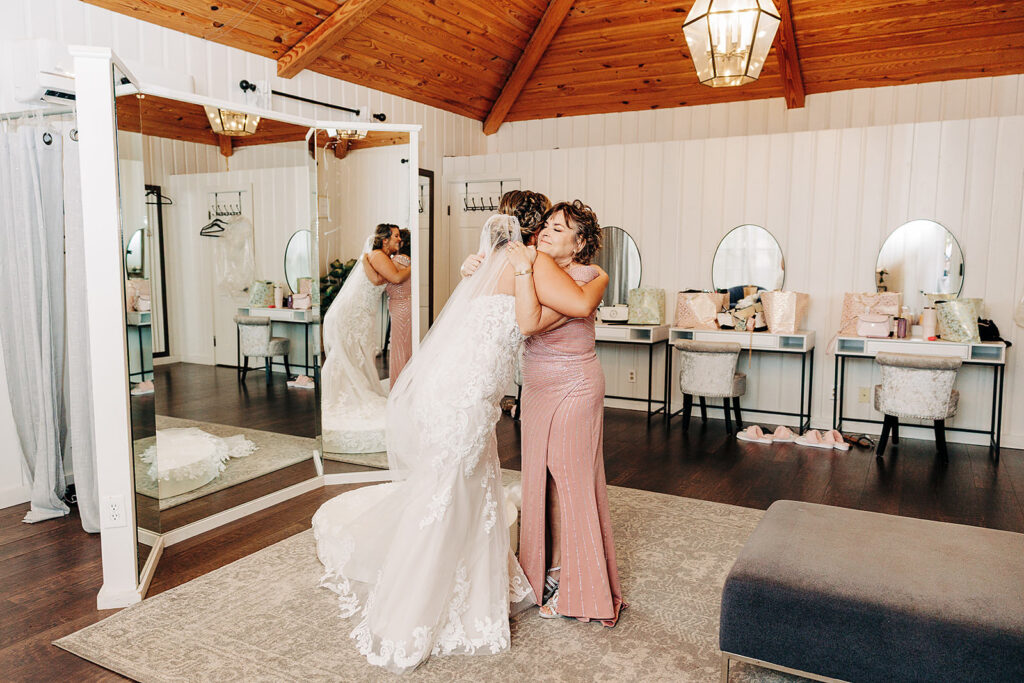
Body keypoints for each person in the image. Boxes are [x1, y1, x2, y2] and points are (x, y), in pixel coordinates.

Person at [313, 214, 565, 673]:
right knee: (448, 493)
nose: (548, 237)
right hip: (462, 399)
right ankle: (409, 614)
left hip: (463, 394)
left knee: (473, 489)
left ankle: (476, 596)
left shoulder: (489, 265)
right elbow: (534, 322)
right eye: (546, 229)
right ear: (529, 234)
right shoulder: (522, 266)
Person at [507, 200, 624, 627]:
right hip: (536, 388)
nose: (548, 233)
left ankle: (584, 589)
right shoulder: (537, 270)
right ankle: (549, 570)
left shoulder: (587, 276)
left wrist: (522, 271)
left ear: (579, 245)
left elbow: (528, 322)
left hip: (575, 385)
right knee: (543, 482)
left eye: (561, 229)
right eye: (548, 226)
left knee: (573, 483)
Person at [320, 223, 406, 454]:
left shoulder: (378, 256)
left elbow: (379, 280)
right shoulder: (378, 255)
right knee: (346, 355)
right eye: (396, 236)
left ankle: (347, 389)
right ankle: (342, 394)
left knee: (355, 355)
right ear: (385, 239)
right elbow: (391, 279)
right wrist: (412, 266)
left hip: (360, 314)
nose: (399, 240)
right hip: (352, 313)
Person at [460, 190, 550, 279]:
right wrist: (465, 271)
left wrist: (465, 272)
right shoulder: (540, 262)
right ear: (536, 232)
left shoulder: (490, 260)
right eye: (546, 225)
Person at [385, 228, 412, 386]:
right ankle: (408, 386)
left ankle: (398, 387)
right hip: (408, 304)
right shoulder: (409, 260)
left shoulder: (396, 262)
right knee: (407, 347)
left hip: (400, 306)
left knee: (399, 349)